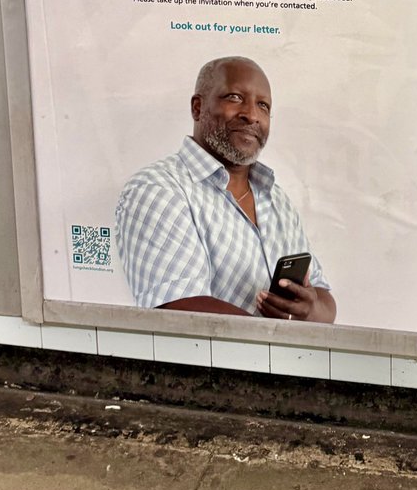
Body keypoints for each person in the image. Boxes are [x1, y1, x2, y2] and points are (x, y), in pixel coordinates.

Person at [116, 56, 336, 323]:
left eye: (263, 105)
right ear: (198, 108)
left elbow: (323, 299)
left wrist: (309, 308)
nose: (251, 115)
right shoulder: (158, 189)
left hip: (283, 362)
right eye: (234, 97)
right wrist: (278, 335)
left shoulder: (277, 199)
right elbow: (179, 309)